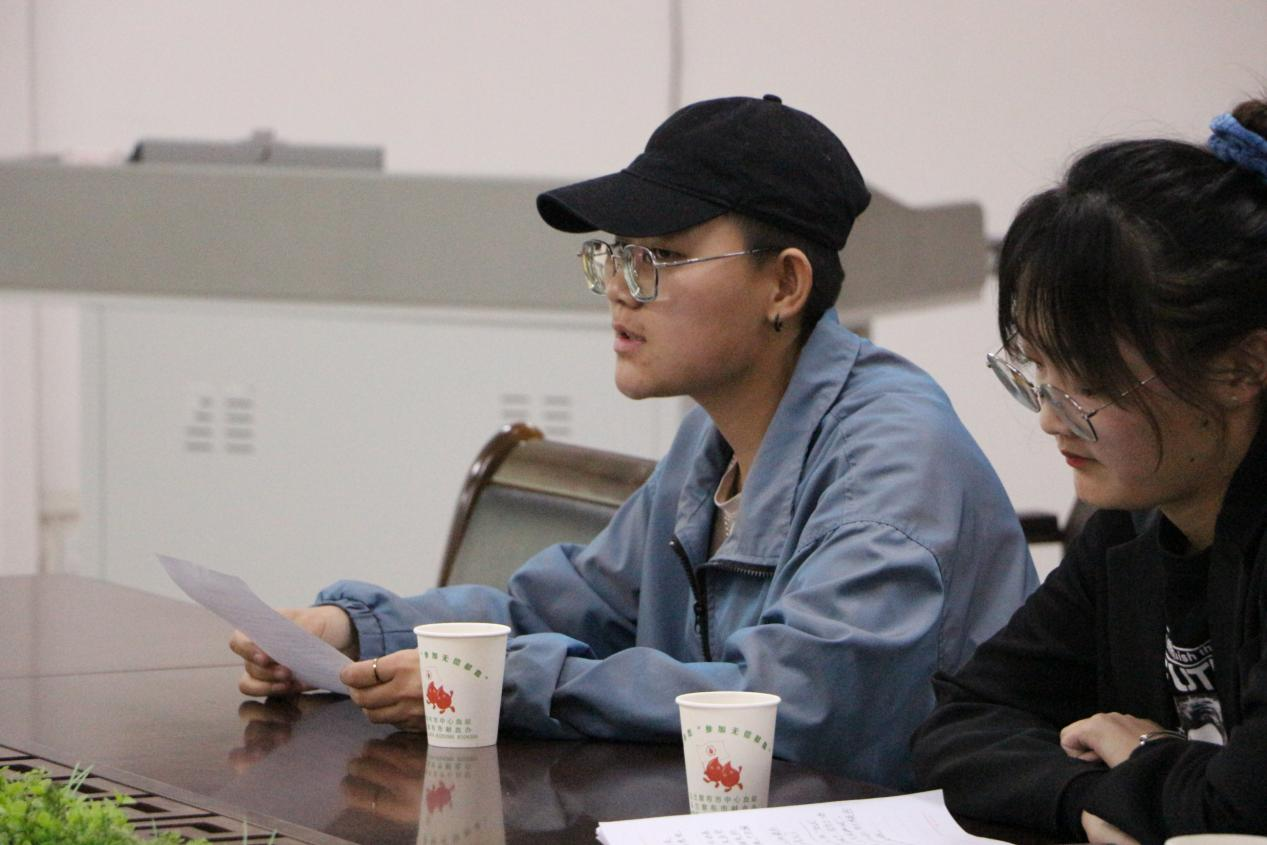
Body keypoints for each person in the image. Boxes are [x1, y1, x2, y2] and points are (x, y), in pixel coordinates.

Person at [232, 94, 1036, 788]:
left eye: (661, 257)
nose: (620, 288)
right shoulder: (711, 443)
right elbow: (564, 608)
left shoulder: (893, 464)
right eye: (616, 255)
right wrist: (356, 631)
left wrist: (500, 683)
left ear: (785, 284)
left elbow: (795, 707)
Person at [910, 97, 1267, 843]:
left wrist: (1143, 755)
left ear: (1242, 368)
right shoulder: (1130, 530)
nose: (1050, 418)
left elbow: (1247, 806)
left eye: (1089, 382)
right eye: (1037, 372)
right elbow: (961, 722)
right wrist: (1083, 800)